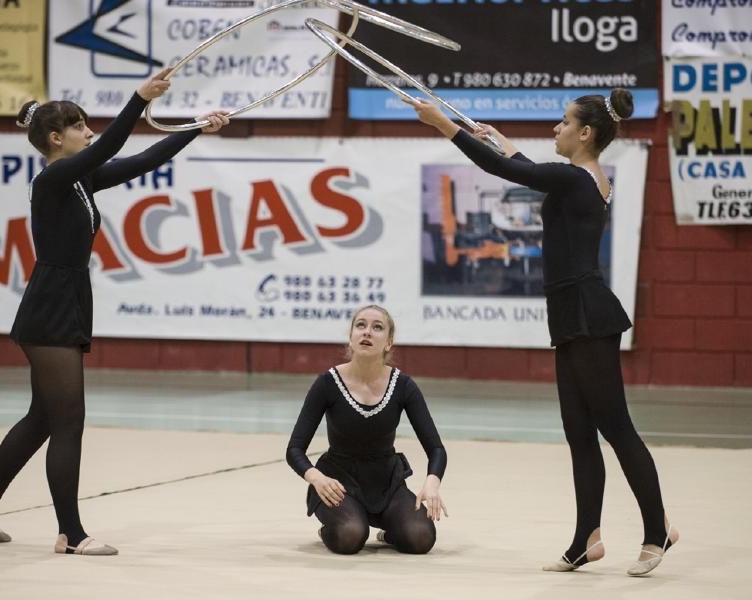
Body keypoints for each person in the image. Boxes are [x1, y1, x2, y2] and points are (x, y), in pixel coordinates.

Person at [407, 89, 678, 576]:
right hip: (571, 314)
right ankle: (586, 538)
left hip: (588, 313)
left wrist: (442, 125)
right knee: (579, 433)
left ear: (585, 133)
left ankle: (658, 528)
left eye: (563, 122)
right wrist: (505, 144)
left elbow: (515, 174)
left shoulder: (576, 179)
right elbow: (528, 170)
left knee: (616, 428)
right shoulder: (580, 178)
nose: (556, 128)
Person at [0, 69, 230, 556]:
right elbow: (106, 149)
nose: (89, 133)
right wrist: (137, 99)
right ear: (55, 139)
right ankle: (71, 533)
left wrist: (194, 127)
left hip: (66, 301)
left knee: (44, 418)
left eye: (90, 126)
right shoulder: (54, 179)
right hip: (49, 308)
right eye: (82, 127)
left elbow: (145, 159)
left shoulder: (80, 180)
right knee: (69, 420)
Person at [286, 305, 448, 555]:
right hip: (337, 483)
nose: (367, 332)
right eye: (360, 325)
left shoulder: (403, 385)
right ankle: (332, 526)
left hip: (386, 484)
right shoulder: (327, 383)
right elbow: (294, 449)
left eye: (377, 327)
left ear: (388, 342)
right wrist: (316, 478)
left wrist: (432, 482)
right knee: (350, 536)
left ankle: (388, 533)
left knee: (421, 537)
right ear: (350, 336)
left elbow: (436, 448)